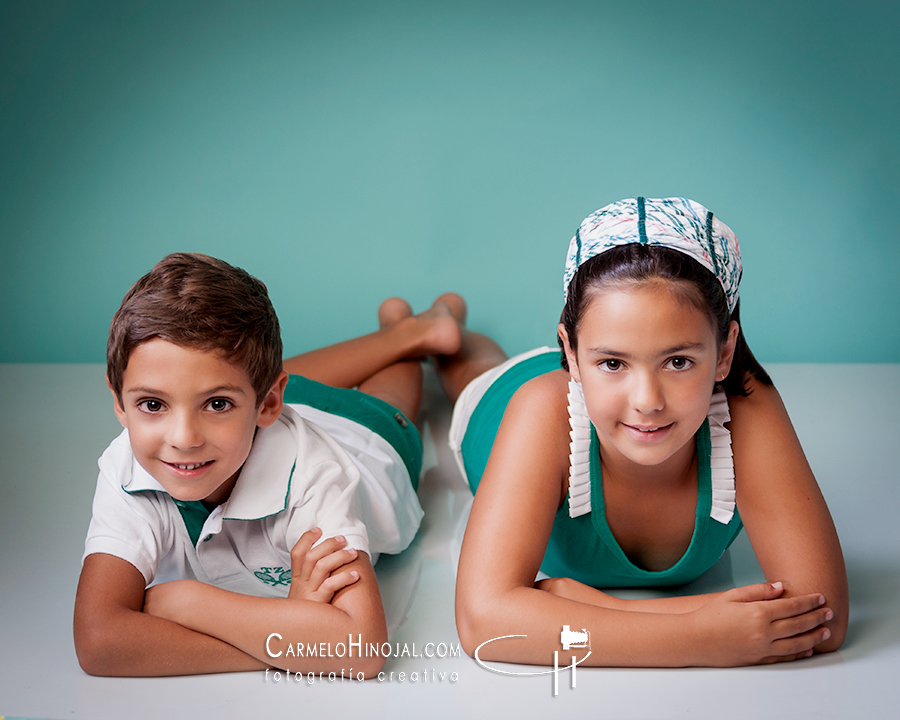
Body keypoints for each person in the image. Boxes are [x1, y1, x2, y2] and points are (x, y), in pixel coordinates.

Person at [443, 197, 848, 667]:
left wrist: (604, 608)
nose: (647, 400)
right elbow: (482, 621)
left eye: (678, 362)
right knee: (472, 369)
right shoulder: (539, 409)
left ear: (723, 352)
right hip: (516, 398)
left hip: (594, 388)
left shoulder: (746, 408)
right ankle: (431, 334)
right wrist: (698, 638)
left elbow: (823, 616)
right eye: (614, 362)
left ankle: (448, 326)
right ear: (571, 354)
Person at [73, 252, 462, 677]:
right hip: (262, 422)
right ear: (119, 402)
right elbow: (98, 641)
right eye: (152, 404)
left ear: (270, 402)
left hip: (367, 435)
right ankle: (407, 326)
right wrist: (290, 641)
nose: (183, 438)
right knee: (231, 371)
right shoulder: (128, 463)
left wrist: (188, 601)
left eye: (215, 404)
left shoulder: (317, 475)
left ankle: (411, 336)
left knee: (388, 398)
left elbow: (360, 650)